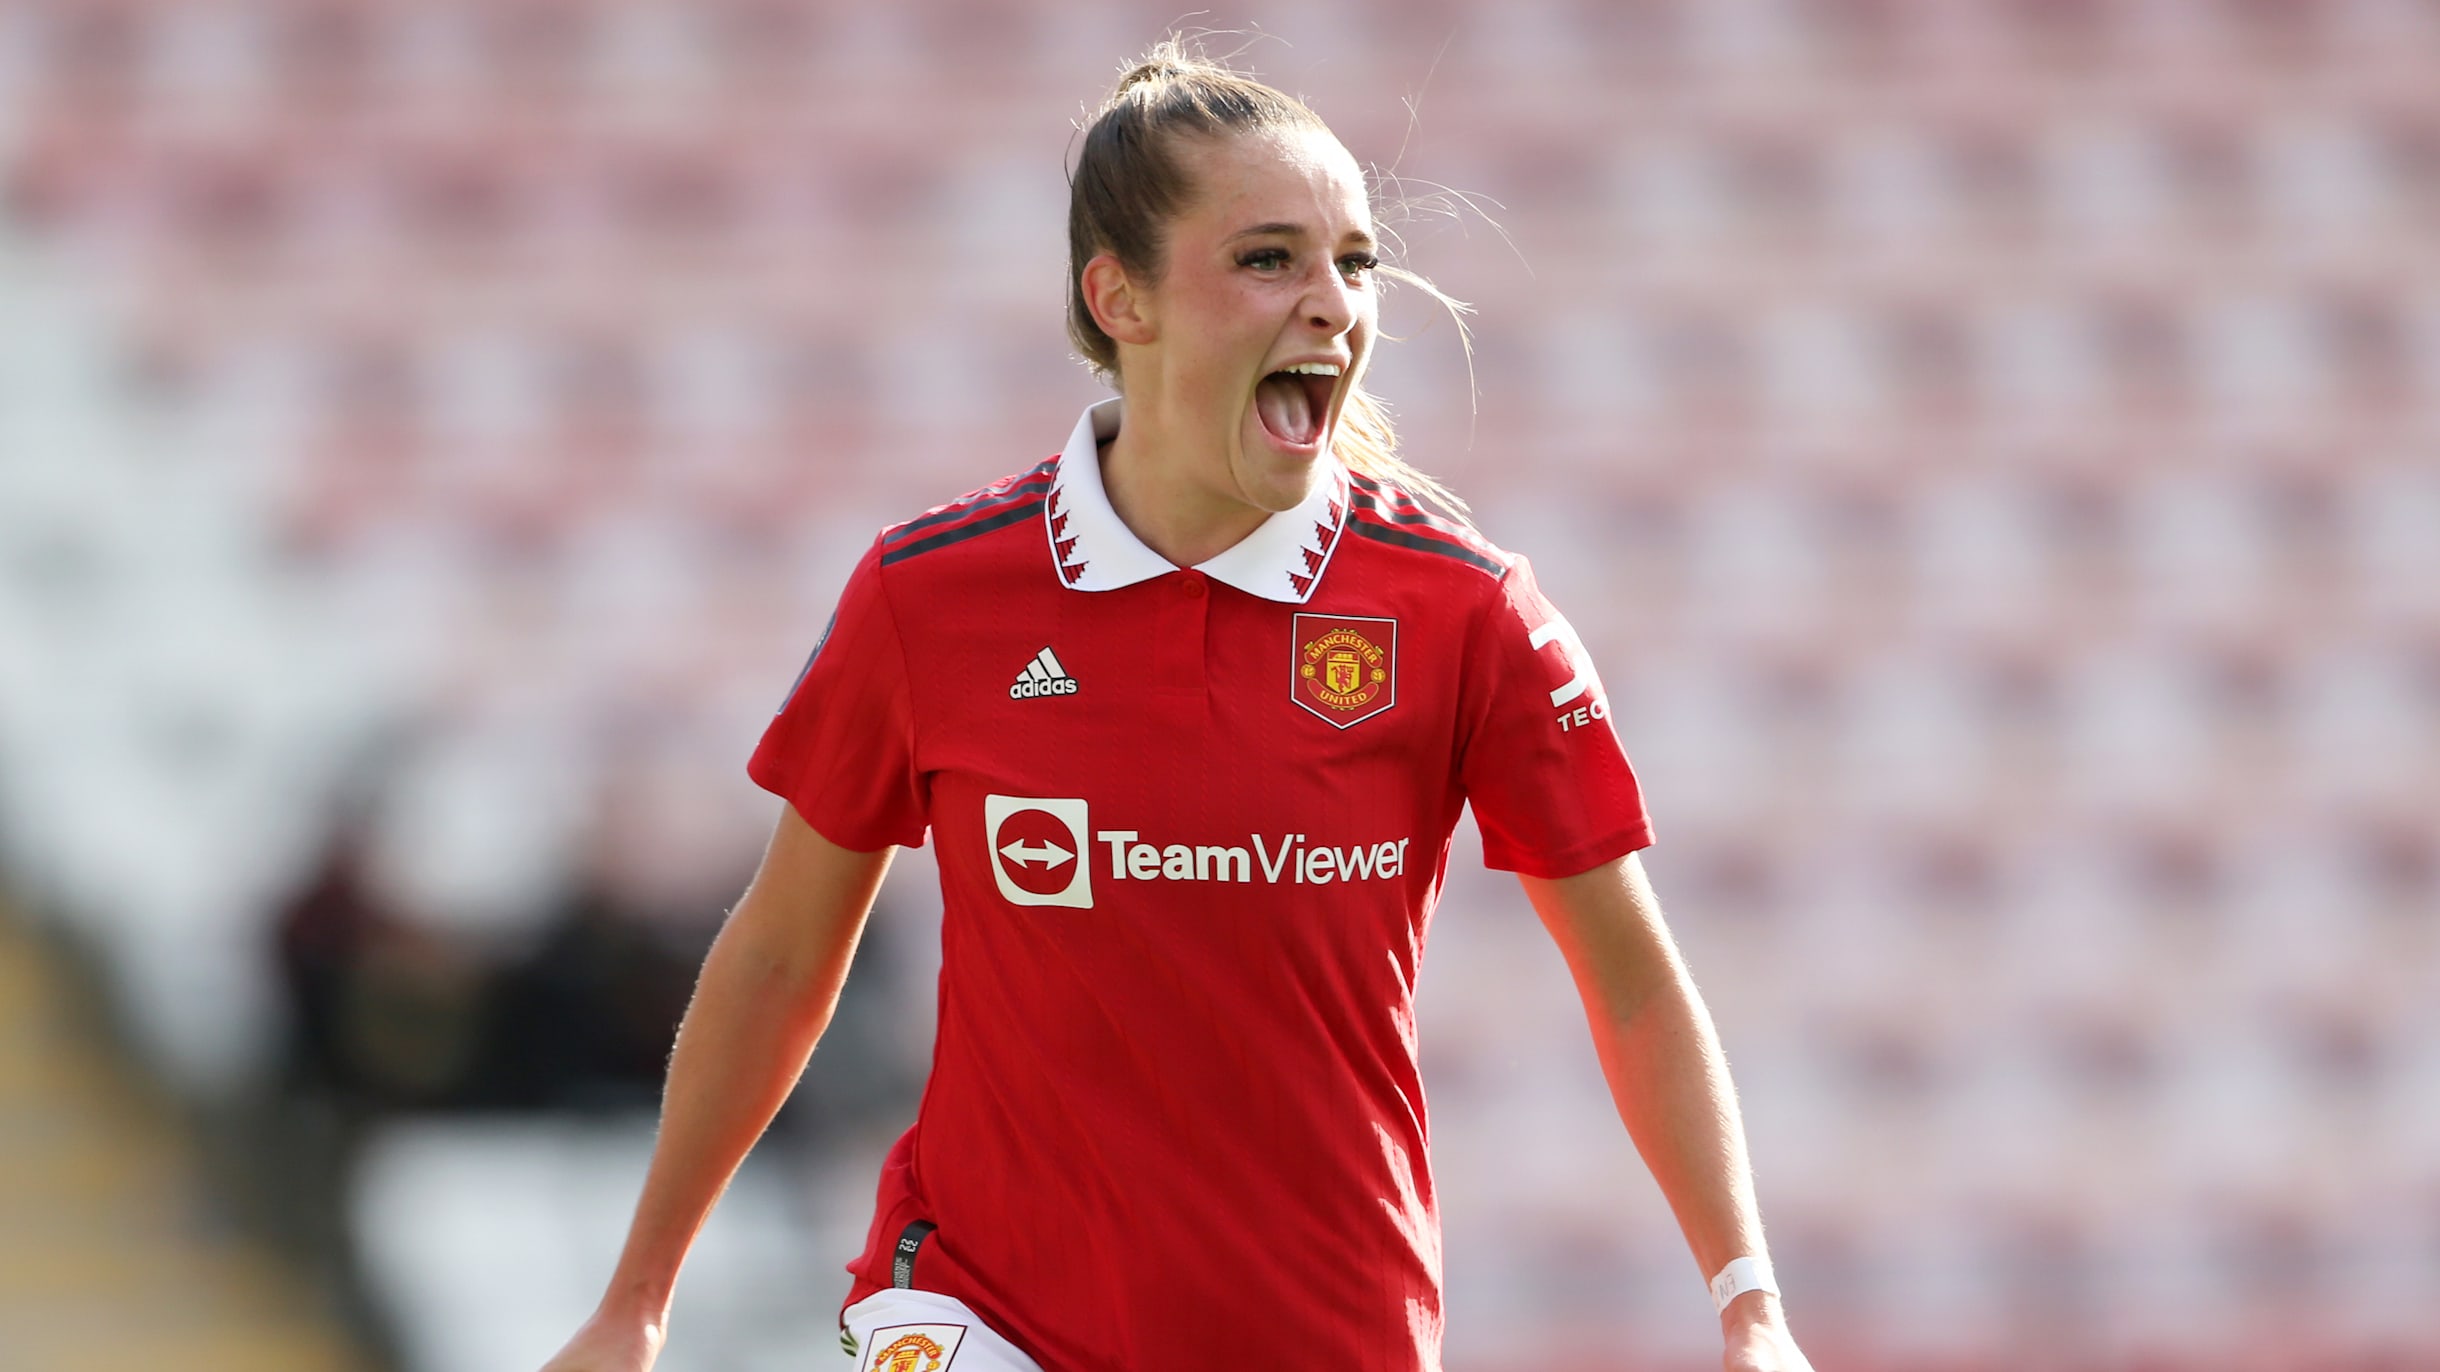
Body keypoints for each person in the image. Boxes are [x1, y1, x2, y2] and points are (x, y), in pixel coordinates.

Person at [541, 40, 1814, 1372]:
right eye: (1268, 258)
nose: (1333, 303)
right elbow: (784, 955)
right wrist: (637, 1298)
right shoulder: (930, 594)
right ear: (1120, 298)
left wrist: (1749, 1305)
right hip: (978, 1312)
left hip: (1332, 1329)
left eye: (1354, 262)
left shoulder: (1466, 615)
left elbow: (1635, 990)